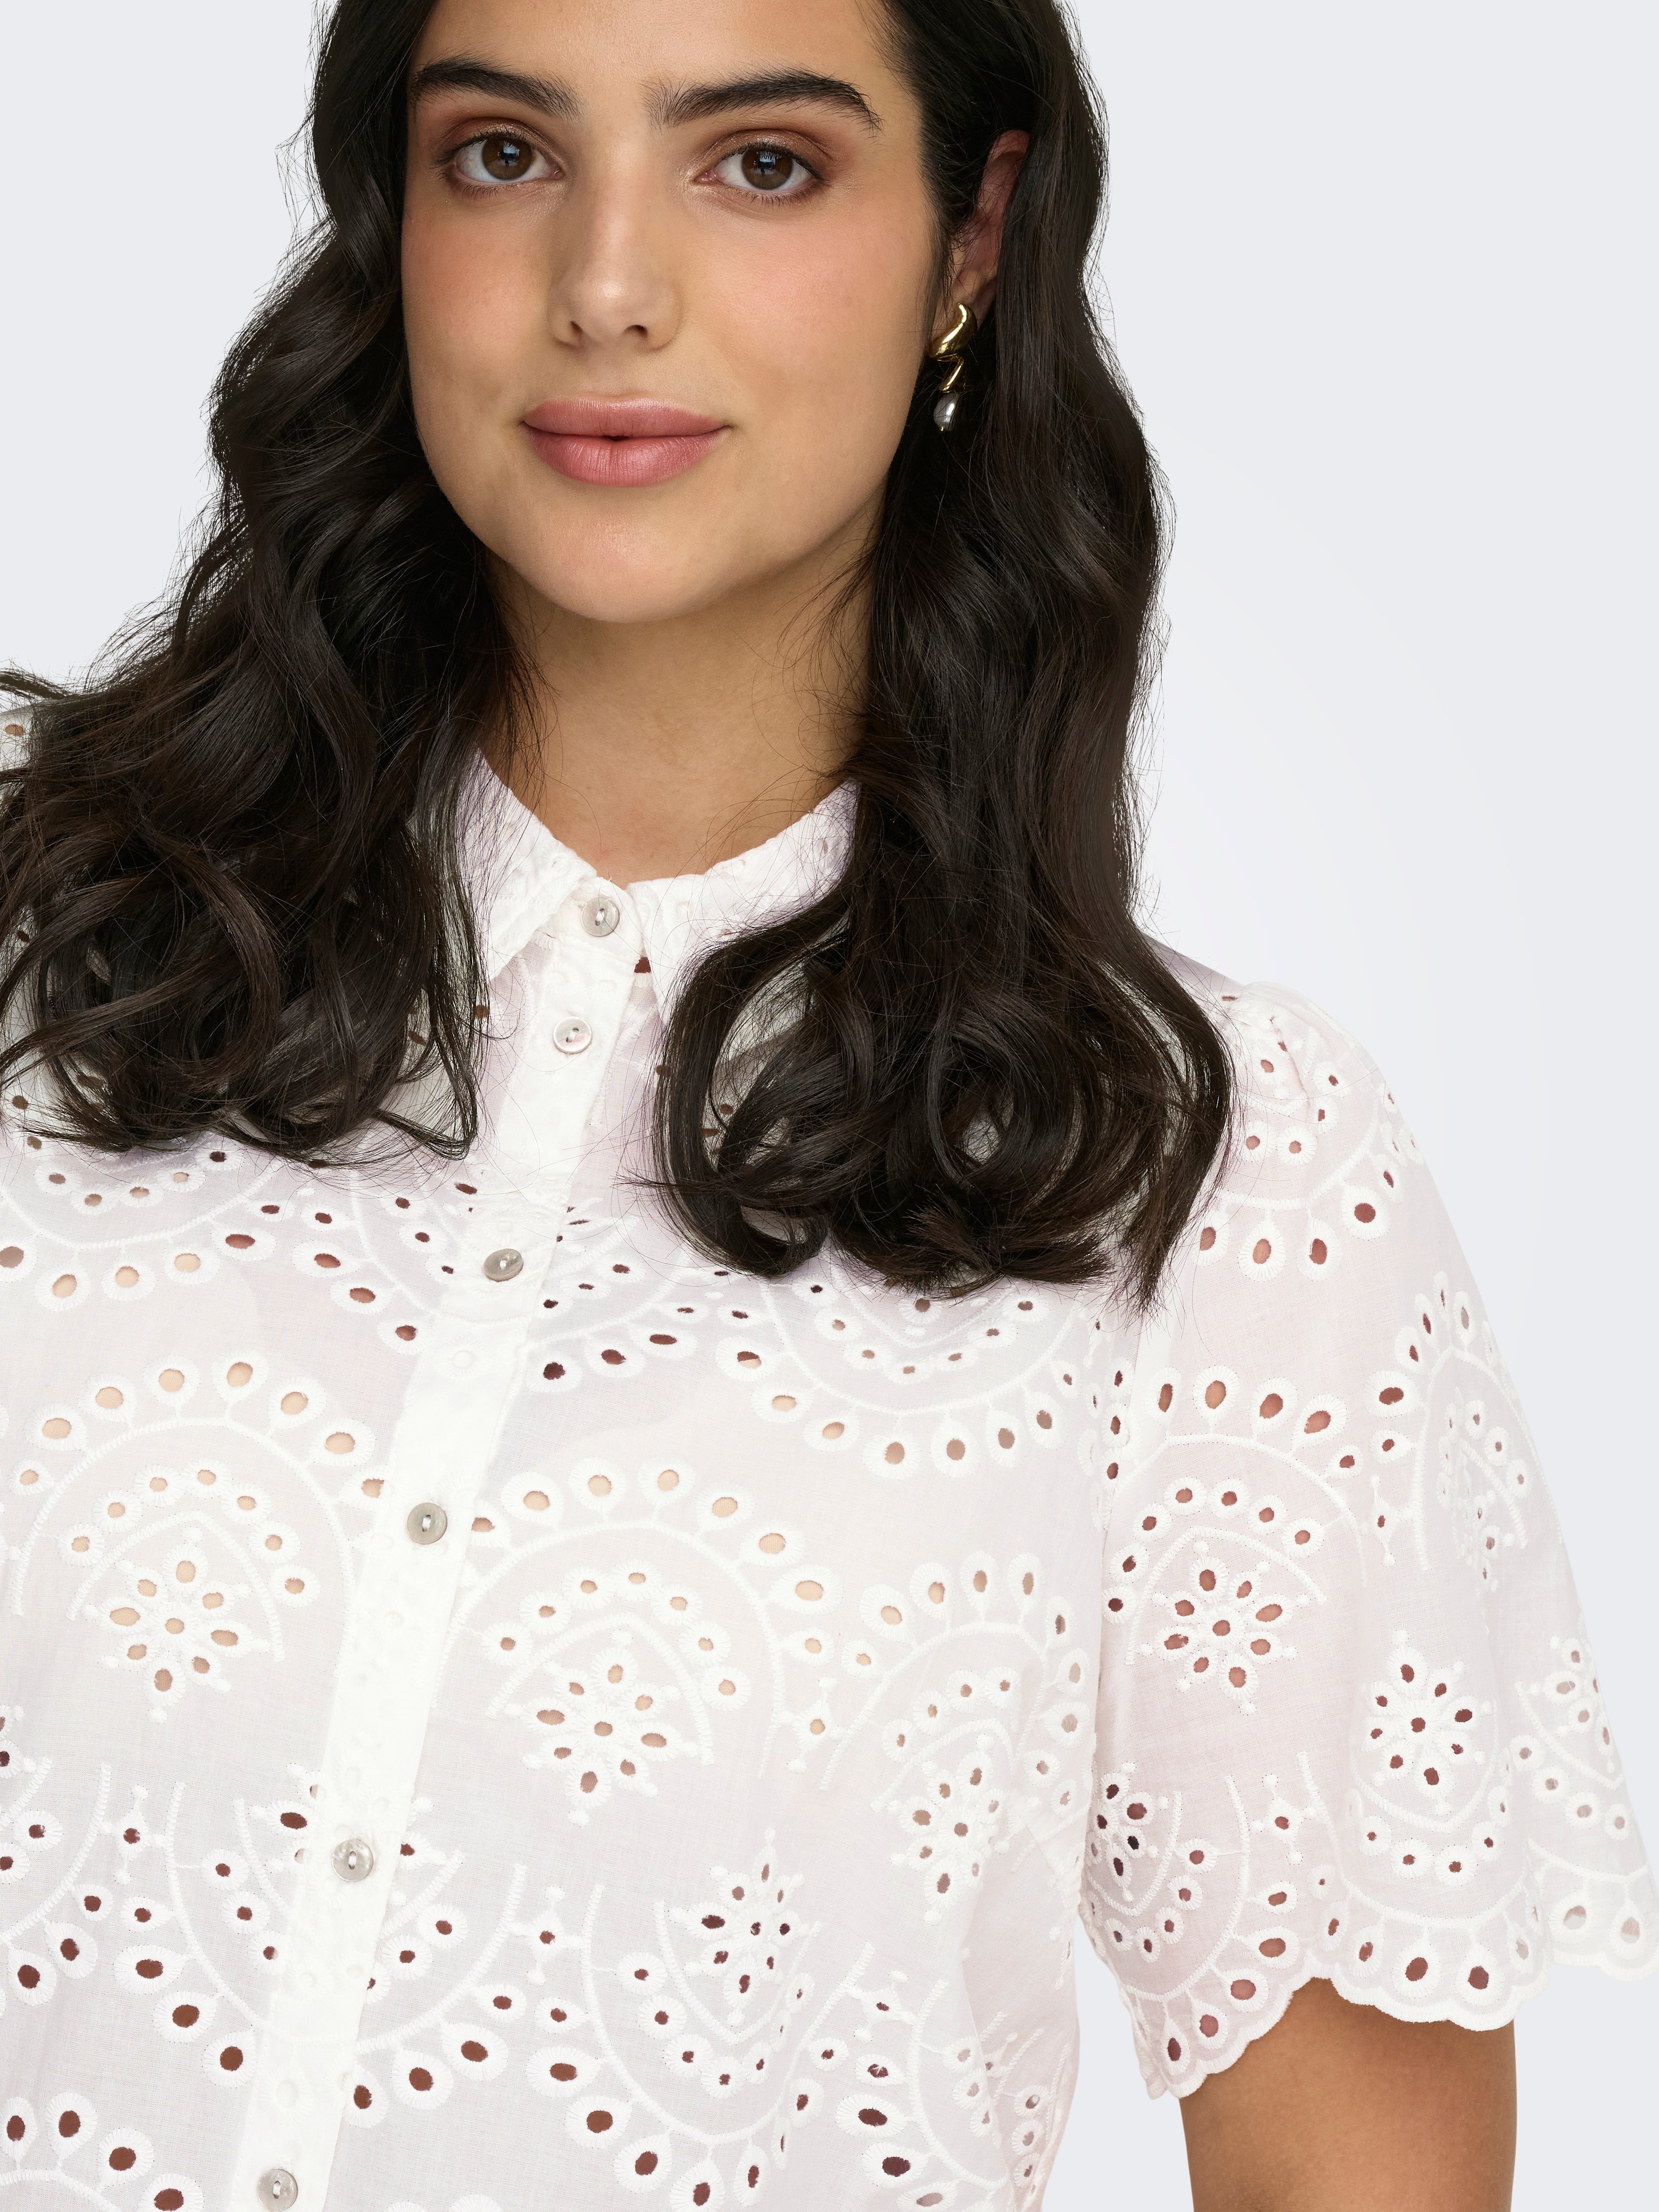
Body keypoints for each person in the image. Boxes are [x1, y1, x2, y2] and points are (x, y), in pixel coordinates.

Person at [0, 0, 1650, 2206]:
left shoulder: (1215, 1179)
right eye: (502, 153)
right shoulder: (35, 955)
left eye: (759, 163)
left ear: (973, 232)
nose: (605, 283)